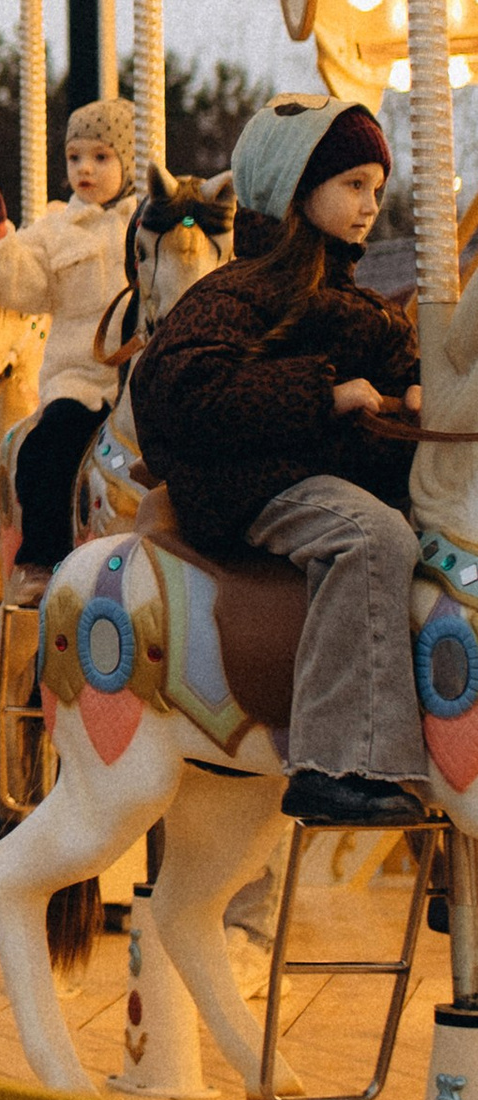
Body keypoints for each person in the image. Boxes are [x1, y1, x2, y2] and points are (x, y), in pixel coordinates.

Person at [129, 92, 422, 829]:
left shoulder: (349, 300)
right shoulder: (238, 291)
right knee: (371, 538)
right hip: (252, 483)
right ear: (295, 187)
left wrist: (415, 397)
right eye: (353, 185)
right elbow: (180, 390)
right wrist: (323, 394)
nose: (368, 206)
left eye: (376, 191)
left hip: (319, 472)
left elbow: (392, 371)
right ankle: (332, 762)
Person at [0, 98, 137, 595]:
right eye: (75, 158)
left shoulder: (151, 224)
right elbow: (19, 281)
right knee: (45, 448)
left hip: (144, 376)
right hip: (81, 377)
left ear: (130, 161)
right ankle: (42, 559)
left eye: (101, 157)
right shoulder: (56, 229)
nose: (85, 170)